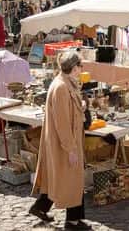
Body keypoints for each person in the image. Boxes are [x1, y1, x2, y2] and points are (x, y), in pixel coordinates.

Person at [30, 50, 90, 230]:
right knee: (70, 180)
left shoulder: (67, 83)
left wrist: (81, 106)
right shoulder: (61, 87)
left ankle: (41, 207)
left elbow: (68, 112)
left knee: (65, 179)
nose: (82, 69)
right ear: (73, 68)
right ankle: (72, 222)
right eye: (80, 66)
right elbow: (62, 122)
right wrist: (70, 149)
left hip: (67, 142)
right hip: (64, 144)